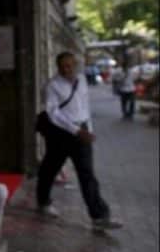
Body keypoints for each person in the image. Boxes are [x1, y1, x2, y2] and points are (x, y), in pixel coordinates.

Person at [36, 52, 122, 231]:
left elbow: (84, 106)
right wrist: (76, 130)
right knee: (50, 168)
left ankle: (99, 217)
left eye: (69, 65)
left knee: (87, 174)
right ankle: (43, 201)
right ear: (58, 67)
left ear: (75, 65)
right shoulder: (52, 85)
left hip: (81, 132)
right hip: (61, 134)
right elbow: (53, 113)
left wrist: (87, 129)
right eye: (62, 66)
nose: (66, 69)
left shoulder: (82, 80)